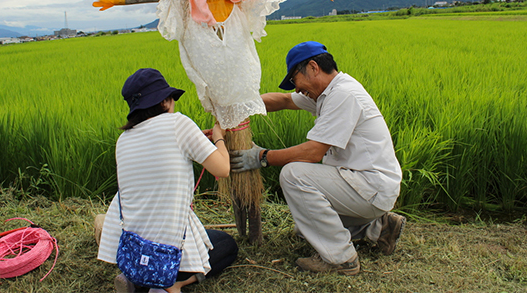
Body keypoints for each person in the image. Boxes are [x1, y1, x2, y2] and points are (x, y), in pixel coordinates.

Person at [230, 41, 405, 276]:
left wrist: (262, 157)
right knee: (307, 227)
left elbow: (313, 152)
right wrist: (240, 107)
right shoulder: (327, 92)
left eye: (295, 79)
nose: (298, 89)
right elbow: (283, 100)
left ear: (313, 67)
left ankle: (342, 259)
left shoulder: (343, 94)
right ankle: (379, 228)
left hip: (370, 188)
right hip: (363, 186)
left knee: (293, 175)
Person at [95, 68, 238, 293]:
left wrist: (195, 140)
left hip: (134, 249)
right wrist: (219, 137)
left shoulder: (123, 140)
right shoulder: (178, 124)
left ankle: (139, 280)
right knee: (226, 245)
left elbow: (158, 156)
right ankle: (173, 283)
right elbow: (223, 169)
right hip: (167, 253)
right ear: (164, 101)